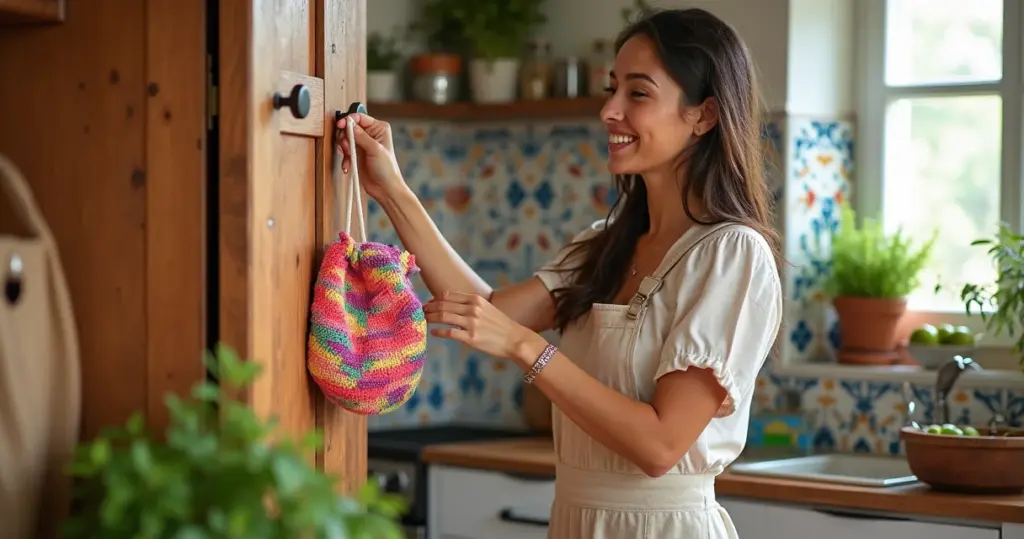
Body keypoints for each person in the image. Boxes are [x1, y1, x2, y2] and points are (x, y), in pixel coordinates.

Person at [340, 7, 783, 538]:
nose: (609, 111)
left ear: (704, 115)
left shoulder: (732, 254)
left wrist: (528, 348)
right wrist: (392, 188)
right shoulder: (606, 243)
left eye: (637, 94)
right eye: (611, 89)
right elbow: (489, 313)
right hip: (573, 520)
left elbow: (661, 446)